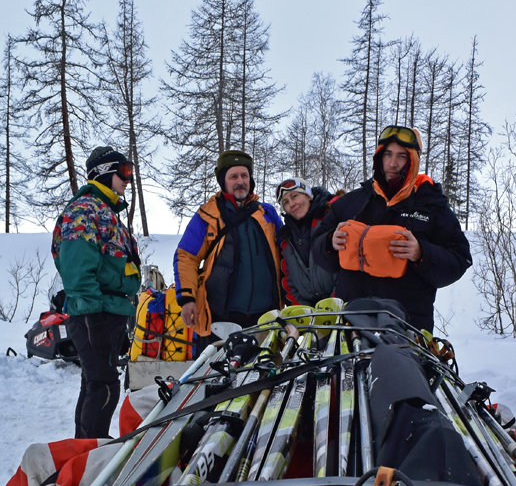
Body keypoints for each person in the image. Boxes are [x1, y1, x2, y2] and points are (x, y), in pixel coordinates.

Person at [312, 125, 471, 333]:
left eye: (401, 156)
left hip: (407, 327)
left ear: (412, 160)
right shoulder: (352, 202)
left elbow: (460, 260)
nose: (393, 164)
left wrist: (421, 253)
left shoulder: (433, 206)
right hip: (352, 324)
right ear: (379, 157)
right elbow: (317, 248)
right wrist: (330, 243)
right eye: (387, 154)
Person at [53, 146, 141, 438]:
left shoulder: (105, 212)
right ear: (105, 173)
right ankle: (91, 451)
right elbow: (77, 268)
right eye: (124, 171)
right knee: (103, 386)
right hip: (95, 313)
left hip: (110, 311)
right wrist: (92, 312)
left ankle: (84, 451)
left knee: (95, 384)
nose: (128, 180)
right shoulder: (85, 209)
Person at [174, 150, 284, 350]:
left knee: (263, 377)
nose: (240, 181)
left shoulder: (267, 214)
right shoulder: (207, 216)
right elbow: (186, 257)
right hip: (222, 319)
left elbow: (288, 249)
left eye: (244, 175)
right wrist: (187, 298)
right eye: (233, 176)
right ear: (223, 181)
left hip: (266, 317)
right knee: (221, 378)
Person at [275, 177, 336, 306]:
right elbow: (288, 280)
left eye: (295, 196)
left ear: (308, 195)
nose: (291, 204)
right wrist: (303, 312)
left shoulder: (331, 219)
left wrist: (333, 305)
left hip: (340, 306)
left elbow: (347, 267)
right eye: (285, 202)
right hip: (307, 315)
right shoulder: (287, 239)